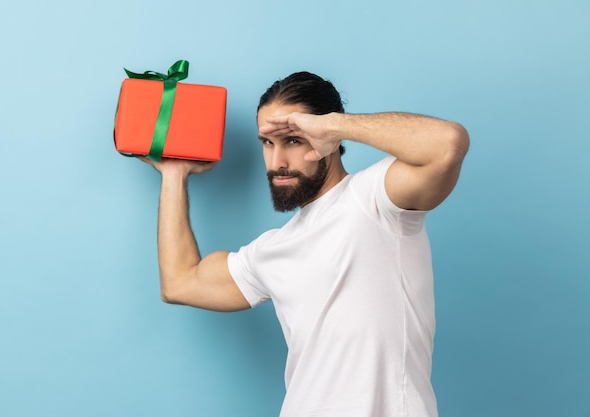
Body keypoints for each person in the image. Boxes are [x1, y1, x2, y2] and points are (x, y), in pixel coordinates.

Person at [140, 71, 469, 417]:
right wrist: (174, 174)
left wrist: (334, 126)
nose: (277, 161)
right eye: (268, 143)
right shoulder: (272, 250)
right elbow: (180, 282)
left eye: (293, 140)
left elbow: (449, 144)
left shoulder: (376, 200)